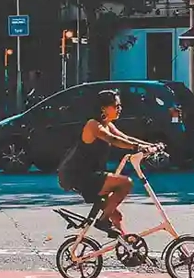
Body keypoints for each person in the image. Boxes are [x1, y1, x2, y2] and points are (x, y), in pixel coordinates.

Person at [57, 89, 162, 237]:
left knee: (117, 216)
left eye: (120, 106)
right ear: (103, 108)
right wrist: (138, 148)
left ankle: (129, 248)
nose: (120, 109)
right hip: (81, 176)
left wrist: (151, 145)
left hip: (94, 175)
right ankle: (103, 221)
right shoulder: (93, 125)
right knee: (126, 183)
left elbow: (126, 138)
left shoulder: (107, 124)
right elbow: (113, 140)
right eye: (116, 106)